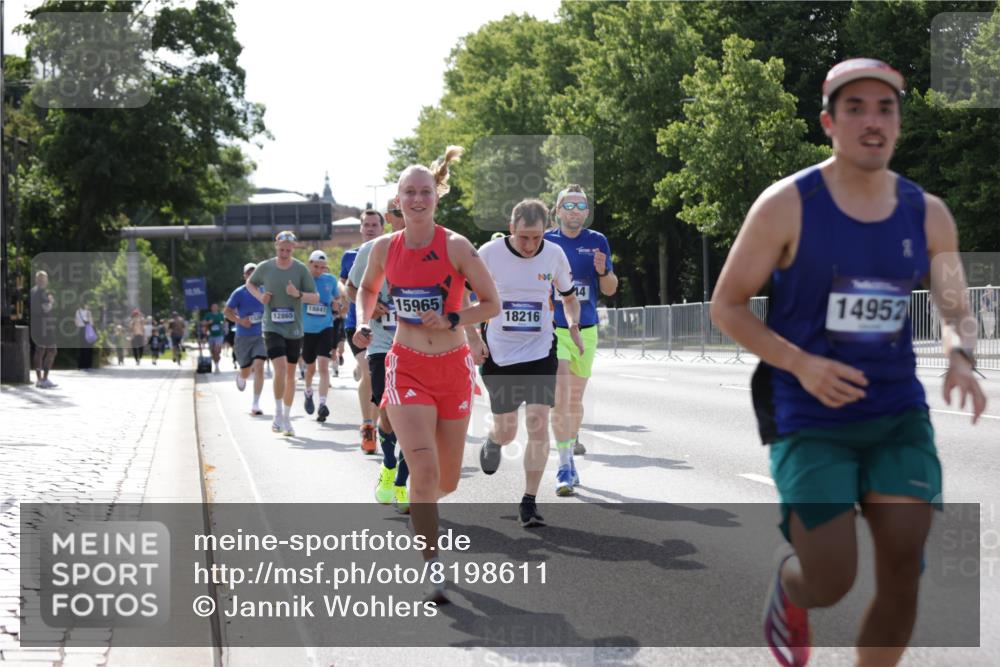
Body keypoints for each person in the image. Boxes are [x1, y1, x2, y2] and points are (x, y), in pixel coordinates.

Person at [709, 59, 987, 667]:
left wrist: (961, 355)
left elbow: (954, 307)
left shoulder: (928, 213)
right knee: (831, 578)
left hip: (895, 412)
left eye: (885, 108)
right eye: (855, 109)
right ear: (828, 123)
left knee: (904, 566)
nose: (872, 121)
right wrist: (801, 363)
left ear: (899, 122)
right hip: (808, 413)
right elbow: (727, 306)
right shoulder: (787, 205)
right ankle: (791, 586)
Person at [354, 146, 498, 601]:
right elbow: (367, 289)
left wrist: (454, 318)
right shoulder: (384, 248)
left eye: (425, 192)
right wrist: (362, 320)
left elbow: (492, 304)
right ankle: (432, 565)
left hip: (453, 368)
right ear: (398, 200)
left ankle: (422, 499)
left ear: (437, 196)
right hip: (406, 366)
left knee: (445, 481)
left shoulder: (456, 246)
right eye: (409, 193)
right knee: (422, 466)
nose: (417, 199)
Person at [477, 199, 584, 522]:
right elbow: (464, 297)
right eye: (524, 237)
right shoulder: (489, 253)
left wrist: (574, 325)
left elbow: (569, 298)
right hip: (499, 354)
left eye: (537, 237)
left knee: (538, 423)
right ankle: (494, 440)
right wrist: (472, 337)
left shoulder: (554, 254)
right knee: (508, 430)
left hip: (540, 352)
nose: (530, 245)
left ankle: (529, 500)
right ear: (511, 229)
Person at [544, 184, 618, 482]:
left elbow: (610, 289)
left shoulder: (597, 241)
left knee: (574, 398)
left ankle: (571, 438)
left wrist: (603, 271)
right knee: (560, 396)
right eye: (569, 205)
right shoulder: (546, 241)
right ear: (558, 210)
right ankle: (565, 461)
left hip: (586, 328)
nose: (575, 211)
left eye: (581, 206)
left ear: (586, 212)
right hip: (554, 328)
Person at [348, 202, 410, 511]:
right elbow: (352, 289)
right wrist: (370, 311)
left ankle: (401, 483)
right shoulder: (371, 250)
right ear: (390, 218)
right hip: (382, 344)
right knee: (388, 415)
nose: (407, 218)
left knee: (413, 419)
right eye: (400, 214)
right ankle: (388, 465)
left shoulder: (433, 247)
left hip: (419, 346)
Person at [246, 230, 319, 437]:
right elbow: (250, 283)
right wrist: (260, 296)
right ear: (276, 246)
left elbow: (315, 297)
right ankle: (277, 413)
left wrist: (298, 294)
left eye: (288, 250)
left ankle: (286, 417)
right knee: (280, 368)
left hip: (294, 328)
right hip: (272, 326)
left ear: (293, 248)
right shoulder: (265, 267)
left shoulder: (300, 269)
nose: (285, 253)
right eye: (282, 249)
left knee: (290, 374)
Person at [342, 211, 388, 452]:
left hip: (388, 328)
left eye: (374, 225)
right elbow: (347, 286)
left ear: (382, 228)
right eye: (366, 225)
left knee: (377, 378)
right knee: (369, 373)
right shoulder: (351, 256)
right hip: (357, 324)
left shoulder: (392, 249)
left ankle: (381, 425)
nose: (370, 228)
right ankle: (368, 426)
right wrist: (368, 305)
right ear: (360, 228)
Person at [301, 249, 340, 422]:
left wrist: (336, 304)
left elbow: (337, 298)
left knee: (323, 366)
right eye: (316, 266)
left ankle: (322, 404)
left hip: (326, 327)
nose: (319, 270)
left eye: (322, 267)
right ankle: (308, 391)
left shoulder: (330, 280)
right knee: (310, 369)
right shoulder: (302, 280)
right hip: (307, 330)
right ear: (309, 264)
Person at [225, 262, 267, 416]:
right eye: (249, 273)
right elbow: (227, 312)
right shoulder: (239, 293)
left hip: (261, 335)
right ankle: (241, 376)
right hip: (243, 336)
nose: (252, 275)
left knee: (259, 366)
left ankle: (255, 404)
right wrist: (240, 321)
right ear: (244, 276)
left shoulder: (265, 292)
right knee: (246, 370)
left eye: (254, 272)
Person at [30, 270, 58, 388]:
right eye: (42, 279)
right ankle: (43, 379)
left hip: (38, 325)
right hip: (44, 325)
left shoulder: (33, 291)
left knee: (40, 350)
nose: (44, 281)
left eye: (45, 279)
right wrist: (51, 302)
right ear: (38, 280)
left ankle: (40, 379)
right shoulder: (41, 292)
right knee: (51, 350)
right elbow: (46, 309)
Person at [201, 302, 226, 373]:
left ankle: (217, 366)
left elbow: (224, 323)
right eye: (213, 307)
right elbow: (203, 323)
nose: (214, 308)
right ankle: (216, 363)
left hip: (219, 335)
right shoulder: (208, 315)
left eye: (216, 307)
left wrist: (222, 325)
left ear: (217, 308)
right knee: (212, 352)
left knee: (216, 350)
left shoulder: (221, 315)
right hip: (211, 335)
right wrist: (209, 322)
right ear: (211, 308)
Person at [75, 301, 95, 370]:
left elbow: (76, 323)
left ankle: (81, 365)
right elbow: (91, 323)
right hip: (87, 330)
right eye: (87, 305)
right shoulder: (88, 312)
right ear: (85, 305)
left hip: (81, 330)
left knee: (82, 348)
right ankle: (87, 365)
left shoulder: (78, 312)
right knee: (88, 348)